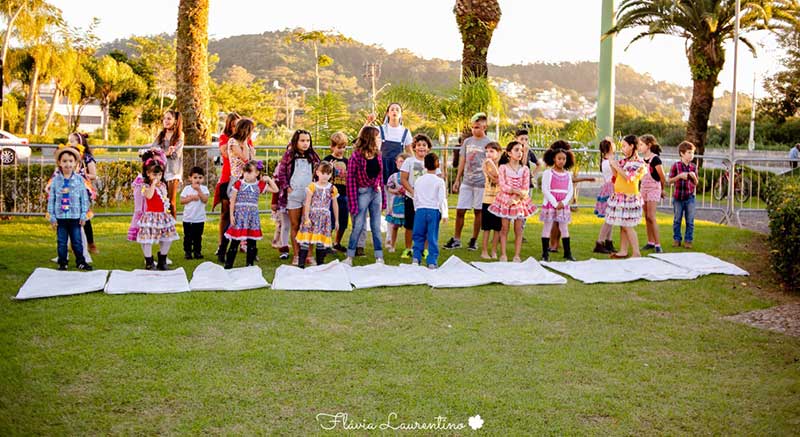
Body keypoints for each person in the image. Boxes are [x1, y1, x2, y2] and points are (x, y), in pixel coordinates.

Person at [445, 112, 490, 251]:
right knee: (460, 211)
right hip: (467, 182)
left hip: (481, 183)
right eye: (473, 127)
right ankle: (457, 238)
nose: (475, 129)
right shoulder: (467, 142)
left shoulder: (488, 143)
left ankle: (474, 239)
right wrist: (457, 180)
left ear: (484, 127)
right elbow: (462, 161)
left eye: (477, 127)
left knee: (478, 212)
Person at [276, 130, 320, 266]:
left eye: (307, 141)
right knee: (295, 225)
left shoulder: (313, 156)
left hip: (309, 196)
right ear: (296, 141)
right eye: (302, 140)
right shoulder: (289, 155)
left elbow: (320, 171)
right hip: (294, 195)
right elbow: (281, 172)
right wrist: (287, 187)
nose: (305, 143)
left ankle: (309, 255)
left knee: (308, 225)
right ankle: (296, 255)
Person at [343, 126, 385, 266]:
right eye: (378, 137)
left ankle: (379, 256)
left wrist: (382, 198)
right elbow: (350, 180)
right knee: (358, 225)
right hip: (362, 192)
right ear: (370, 139)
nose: (380, 140)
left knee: (376, 226)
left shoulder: (378, 155)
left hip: (376, 192)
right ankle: (350, 256)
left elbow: (380, 177)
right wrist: (353, 203)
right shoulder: (356, 156)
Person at [489, 141, 537, 262]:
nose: (519, 153)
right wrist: (514, 191)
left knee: (519, 229)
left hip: (519, 202)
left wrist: (517, 199)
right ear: (509, 153)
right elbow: (503, 185)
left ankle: (517, 255)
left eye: (521, 150)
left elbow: (526, 188)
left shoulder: (525, 169)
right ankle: (503, 254)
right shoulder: (503, 168)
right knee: (504, 228)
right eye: (516, 150)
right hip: (505, 200)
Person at [224, 161, 279, 268]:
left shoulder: (259, 185)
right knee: (235, 240)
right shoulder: (239, 184)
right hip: (239, 216)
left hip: (252, 217)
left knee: (252, 242)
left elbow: (275, 190)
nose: (247, 174)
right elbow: (233, 201)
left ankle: (250, 265)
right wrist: (231, 215)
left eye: (250, 172)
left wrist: (269, 180)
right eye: (245, 172)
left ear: (257, 173)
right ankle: (228, 265)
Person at [47, 146, 92, 271]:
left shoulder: (79, 180)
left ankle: (80, 262)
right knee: (62, 242)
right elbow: (52, 199)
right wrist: (52, 215)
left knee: (77, 241)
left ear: (75, 163)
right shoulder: (56, 181)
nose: (68, 164)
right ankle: (62, 262)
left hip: (75, 217)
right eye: (65, 161)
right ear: (60, 163)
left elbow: (84, 199)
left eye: (71, 161)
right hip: (61, 217)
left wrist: (84, 215)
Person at [605, 135, 647, 259]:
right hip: (620, 196)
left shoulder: (638, 163)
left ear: (632, 146)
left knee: (628, 225)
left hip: (629, 197)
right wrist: (612, 163)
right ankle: (623, 251)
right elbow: (616, 175)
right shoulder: (624, 161)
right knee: (622, 225)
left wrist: (615, 165)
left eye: (624, 146)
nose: (622, 148)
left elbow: (629, 177)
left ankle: (636, 253)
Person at [136, 153, 180, 270]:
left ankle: (162, 260)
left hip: (163, 216)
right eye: (155, 174)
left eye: (160, 174)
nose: (158, 177)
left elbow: (165, 200)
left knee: (167, 238)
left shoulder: (163, 185)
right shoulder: (145, 186)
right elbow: (149, 196)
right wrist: (153, 185)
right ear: (148, 173)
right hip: (151, 216)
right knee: (148, 239)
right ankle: (149, 261)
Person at [399, 134, 440, 259]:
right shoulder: (409, 161)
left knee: (427, 226)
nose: (421, 147)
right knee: (410, 225)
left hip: (427, 201)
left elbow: (438, 178)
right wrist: (412, 192)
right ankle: (408, 248)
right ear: (414, 147)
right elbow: (403, 179)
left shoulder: (432, 161)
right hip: (411, 198)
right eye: (419, 145)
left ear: (428, 148)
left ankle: (426, 249)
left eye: (424, 145)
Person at [296, 161, 339, 268]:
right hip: (312, 216)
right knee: (306, 240)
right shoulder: (312, 186)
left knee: (320, 241)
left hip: (324, 218)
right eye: (323, 173)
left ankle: (320, 264)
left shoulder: (332, 188)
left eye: (328, 173)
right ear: (317, 173)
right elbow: (307, 202)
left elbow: (335, 204)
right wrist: (306, 218)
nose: (325, 176)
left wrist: (337, 220)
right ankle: (301, 264)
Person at [412, 153, 448, 268]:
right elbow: (442, 198)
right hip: (433, 210)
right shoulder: (439, 181)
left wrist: (416, 209)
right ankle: (432, 260)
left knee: (418, 235)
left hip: (420, 210)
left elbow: (415, 197)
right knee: (432, 236)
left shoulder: (419, 180)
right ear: (437, 165)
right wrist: (445, 213)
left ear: (425, 165)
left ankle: (416, 258)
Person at [539, 147, 576, 261]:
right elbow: (545, 189)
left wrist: (564, 203)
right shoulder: (548, 173)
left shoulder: (568, 174)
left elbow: (570, 191)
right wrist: (555, 203)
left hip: (563, 205)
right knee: (547, 227)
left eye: (564, 159)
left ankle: (568, 253)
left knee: (564, 228)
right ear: (554, 159)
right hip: (551, 204)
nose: (561, 161)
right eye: (559, 158)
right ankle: (545, 254)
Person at [213, 112, 241, 261]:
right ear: (229, 125)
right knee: (225, 212)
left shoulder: (246, 139)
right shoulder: (225, 138)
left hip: (242, 178)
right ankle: (221, 243)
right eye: (233, 125)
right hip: (227, 177)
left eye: (238, 125)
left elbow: (250, 155)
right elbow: (225, 154)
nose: (236, 127)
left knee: (242, 211)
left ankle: (243, 241)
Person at [366, 102, 413, 183]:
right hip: (382, 167)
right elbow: (363, 135)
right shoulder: (380, 129)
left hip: (398, 167)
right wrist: (368, 122)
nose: (395, 111)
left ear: (401, 114)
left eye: (397, 110)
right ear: (388, 113)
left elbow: (410, 152)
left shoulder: (405, 131)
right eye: (392, 109)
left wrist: (416, 169)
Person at [151, 110, 184, 219]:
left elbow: (175, 154)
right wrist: (165, 153)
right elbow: (153, 150)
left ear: (175, 121)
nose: (166, 121)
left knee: (171, 201)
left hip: (173, 171)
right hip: (161, 171)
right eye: (165, 118)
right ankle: (163, 224)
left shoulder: (179, 135)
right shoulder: (161, 135)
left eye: (169, 118)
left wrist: (162, 153)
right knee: (161, 199)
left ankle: (173, 225)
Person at [638, 134, 667, 253]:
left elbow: (662, 177)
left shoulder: (655, 159)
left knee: (651, 216)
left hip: (654, 189)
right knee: (646, 216)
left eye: (641, 144)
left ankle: (658, 244)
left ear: (648, 145)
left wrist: (662, 190)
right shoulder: (640, 160)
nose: (639, 147)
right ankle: (650, 242)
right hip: (643, 189)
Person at [668, 141, 698, 249]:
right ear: (682, 153)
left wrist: (694, 177)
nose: (691, 155)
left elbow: (696, 183)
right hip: (678, 198)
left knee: (690, 220)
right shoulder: (676, 166)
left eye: (693, 153)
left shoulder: (693, 167)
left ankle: (688, 240)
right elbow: (670, 181)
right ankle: (677, 239)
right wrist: (679, 176)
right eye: (689, 152)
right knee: (677, 219)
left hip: (690, 197)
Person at [324, 132, 350, 253]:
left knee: (343, 221)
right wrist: (329, 167)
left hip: (344, 194)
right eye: (339, 147)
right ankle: (326, 244)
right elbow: (322, 175)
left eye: (343, 147)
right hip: (331, 195)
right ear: (332, 147)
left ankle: (337, 242)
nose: (341, 150)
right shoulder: (328, 160)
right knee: (331, 220)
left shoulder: (347, 161)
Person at [593, 137, 617, 254]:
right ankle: (600, 242)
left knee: (611, 218)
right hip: (611, 188)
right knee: (609, 217)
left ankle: (608, 241)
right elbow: (617, 175)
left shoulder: (606, 161)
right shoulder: (610, 162)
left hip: (609, 188)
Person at [180, 166, 209, 260]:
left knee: (198, 237)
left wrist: (199, 191)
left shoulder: (204, 189)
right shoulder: (187, 189)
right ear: (190, 178)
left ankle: (197, 252)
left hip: (199, 218)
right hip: (188, 218)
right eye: (195, 177)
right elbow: (181, 201)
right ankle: (188, 252)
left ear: (203, 179)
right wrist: (191, 198)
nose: (197, 180)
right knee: (188, 237)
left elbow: (205, 200)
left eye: (200, 178)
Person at [480, 141, 502, 260]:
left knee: (497, 228)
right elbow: (494, 178)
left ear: (499, 153)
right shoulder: (486, 164)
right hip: (487, 199)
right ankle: (484, 251)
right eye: (487, 151)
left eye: (491, 151)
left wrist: (491, 164)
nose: (488, 154)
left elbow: (498, 176)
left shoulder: (501, 165)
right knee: (487, 228)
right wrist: (489, 163)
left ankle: (493, 250)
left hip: (499, 200)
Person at [385, 153, 409, 252]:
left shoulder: (410, 176)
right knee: (395, 225)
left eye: (403, 162)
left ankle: (409, 246)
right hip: (396, 203)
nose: (401, 164)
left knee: (409, 226)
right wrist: (396, 191)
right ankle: (392, 245)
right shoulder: (393, 176)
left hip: (407, 202)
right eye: (399, 161)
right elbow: (389, 188)